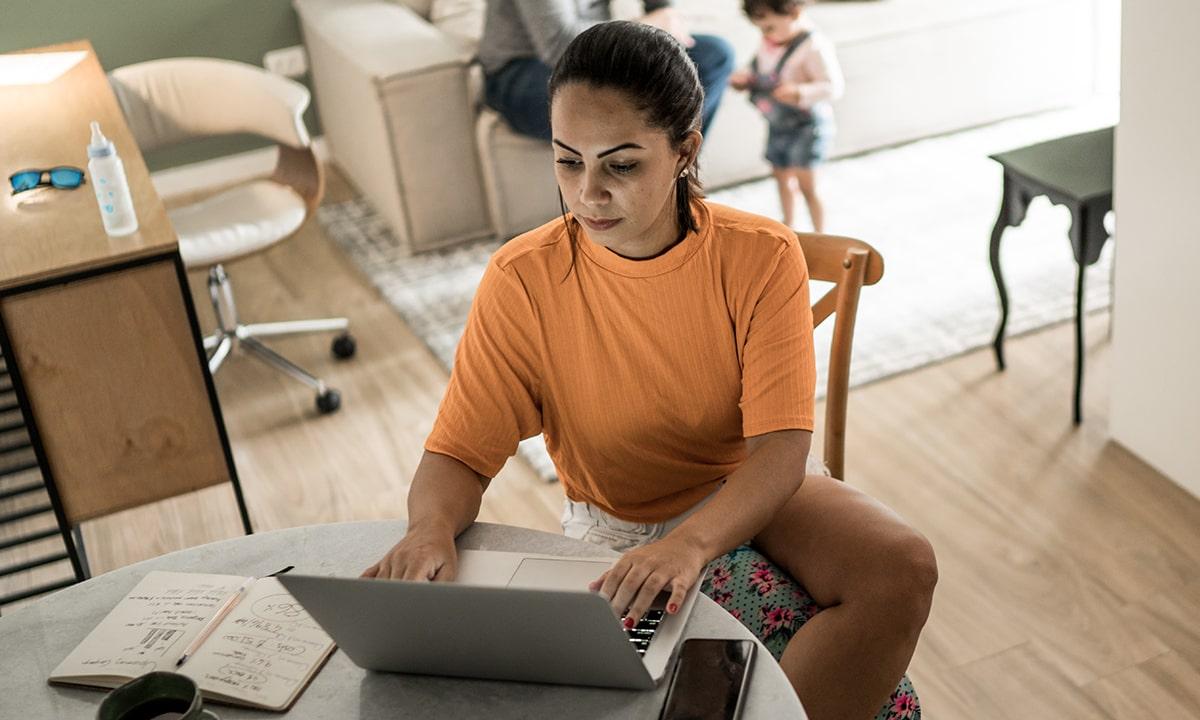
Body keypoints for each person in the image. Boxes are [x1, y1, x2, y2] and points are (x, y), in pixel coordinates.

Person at [365, 21, 937, 720]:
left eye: (621, 164)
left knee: (903, 566)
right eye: (568, 161)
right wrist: (428, 528)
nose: (588, 193)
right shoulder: (522, 279)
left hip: (746, 488)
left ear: (684, 151)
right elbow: (460, 451)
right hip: (619, 525)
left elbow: (781, 451)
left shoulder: (760, 255)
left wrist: (692, 544)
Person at [478, 0, 735, 140]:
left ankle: (675, 177)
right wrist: (646, 25)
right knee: (617, 94)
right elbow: (559, 45)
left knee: (712, 56)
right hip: (522, 73)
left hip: (595, 59)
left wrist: (661, 9)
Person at [729, 0, 843, 232]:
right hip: (778, 123)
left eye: (769, 27)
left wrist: (800, 91)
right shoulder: (770, 41)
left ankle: (821, 233)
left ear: (795, 12)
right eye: (760, 28)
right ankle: (790, 227)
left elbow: (834, 87)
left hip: (807, 126)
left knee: (807, 184)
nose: (765, 34)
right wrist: (746, 76)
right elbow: (761, 66)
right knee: (781, 175)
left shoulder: (812, 46)